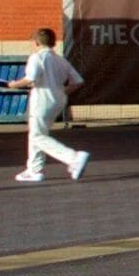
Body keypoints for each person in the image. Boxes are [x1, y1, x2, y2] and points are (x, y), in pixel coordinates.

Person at [17, 28, 89, 183]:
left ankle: (73, 158)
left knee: (37, 135)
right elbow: (78, 81)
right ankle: (34, 170)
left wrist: (12, 84)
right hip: (58, 100)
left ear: (36, 42)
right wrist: (62, 90)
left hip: (42, 100)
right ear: (53, 42)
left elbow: (30, 78)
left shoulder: (37, 57)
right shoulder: (60, 60)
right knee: (37, 133)